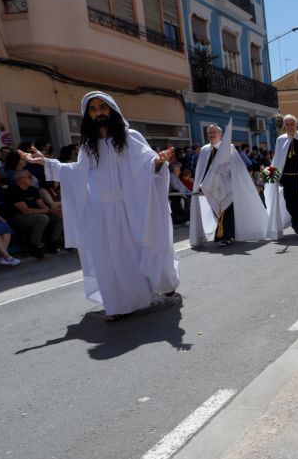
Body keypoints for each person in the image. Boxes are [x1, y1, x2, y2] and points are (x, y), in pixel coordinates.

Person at [20, 91, 179, 322]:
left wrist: (158, 162)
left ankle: (161, 283)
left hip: (131, 208)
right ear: (88, 115)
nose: (98, 113)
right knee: (110, 258)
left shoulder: (131, 137)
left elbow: (147, 165)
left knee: (143, 248)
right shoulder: (88, 145)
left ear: (111, 110)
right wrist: (47, 162)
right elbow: (77, 172)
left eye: (102, 107)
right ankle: (118, 304)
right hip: (103, 211)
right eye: (93, 109)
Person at [189, 124, 268, 247]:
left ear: (220, 135)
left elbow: (238, 168)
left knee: (227, 211)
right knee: (218, 211)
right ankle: (224, 234)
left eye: (214, 132)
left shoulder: (229, 148)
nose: (211, 135)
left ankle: (227, 236)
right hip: (211, 187)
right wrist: (200, 184)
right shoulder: (204, 150)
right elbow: (201, 169)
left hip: (228, 187)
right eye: (209, 133)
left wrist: (227, 169)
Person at [6, 169, 63, 257]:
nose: (32, 178)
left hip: (35, 214)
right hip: (18, 217)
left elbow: (42, 205)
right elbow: (26, 210)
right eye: (29, 177)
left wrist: (53, 211)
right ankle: (34, 245)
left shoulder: (32, 189)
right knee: (42, 218)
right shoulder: (13, 191)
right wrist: (48, 210)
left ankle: (53, 241)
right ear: (20, 179)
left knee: (58, 215)